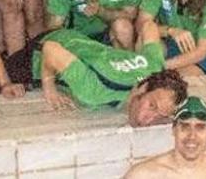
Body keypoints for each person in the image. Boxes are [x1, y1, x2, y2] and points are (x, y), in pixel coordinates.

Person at [36, 24, 188, 127]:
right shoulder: (93, 91)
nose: (149, 120)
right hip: (40, 48)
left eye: (160, 116)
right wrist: (49, 88)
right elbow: (50, 49)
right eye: (152, 106)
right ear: (143, 89)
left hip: (82, 41)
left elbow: (149, 26)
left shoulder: (155, 68)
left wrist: (170, 31)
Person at [124, 97, 206, 179]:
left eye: (200, 127)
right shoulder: (144, 175)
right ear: (174, 130)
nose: (192, 136)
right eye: (185, 126)